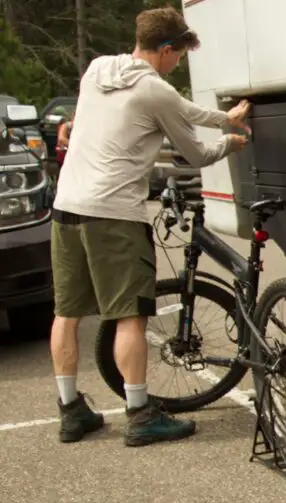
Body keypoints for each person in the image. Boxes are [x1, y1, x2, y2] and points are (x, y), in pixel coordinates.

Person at [50, 6, 250, 447]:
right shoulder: (154, 91)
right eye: (178, 54)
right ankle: (141, 414)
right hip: (114, 215)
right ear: (164, 49)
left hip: (67, 206)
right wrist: (229, 143)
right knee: (129, 316)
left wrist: (223, 116)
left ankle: (70, 411)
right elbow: (195, 154)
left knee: (66, 313)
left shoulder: (98, 69)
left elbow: (182, 110)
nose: (178, 62)